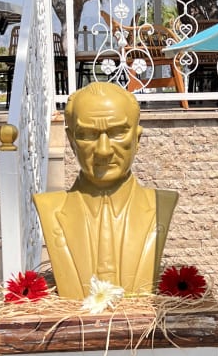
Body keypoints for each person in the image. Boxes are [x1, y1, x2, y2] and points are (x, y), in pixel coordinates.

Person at [34, 82, 178, 300]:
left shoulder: (160, 205)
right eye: (88, 135)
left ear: (137, 138)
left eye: (118, 133)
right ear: (71, 141)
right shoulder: (50, 208)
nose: (103, 150)